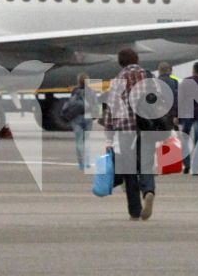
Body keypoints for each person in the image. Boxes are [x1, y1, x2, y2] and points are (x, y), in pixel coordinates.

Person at [103, 48, 161, 220]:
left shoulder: (118, 80)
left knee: (128, 170)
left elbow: (111, 109)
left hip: (126, 130)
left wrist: (109, 136)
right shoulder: (148, 76)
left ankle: (134, 211)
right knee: (146, 164)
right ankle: (148, 191)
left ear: (120, 62)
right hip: (146, 127)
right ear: (137, 59)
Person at [67, 74, 96, 171]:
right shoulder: (91, 91)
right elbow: (95, 104)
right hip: (88, 117)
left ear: (78, 81)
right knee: (87, 140)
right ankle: (87, 162)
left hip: (76, 117)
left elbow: (70, 104)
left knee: (79, 141)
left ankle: (81, 163)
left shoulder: (74, 91)